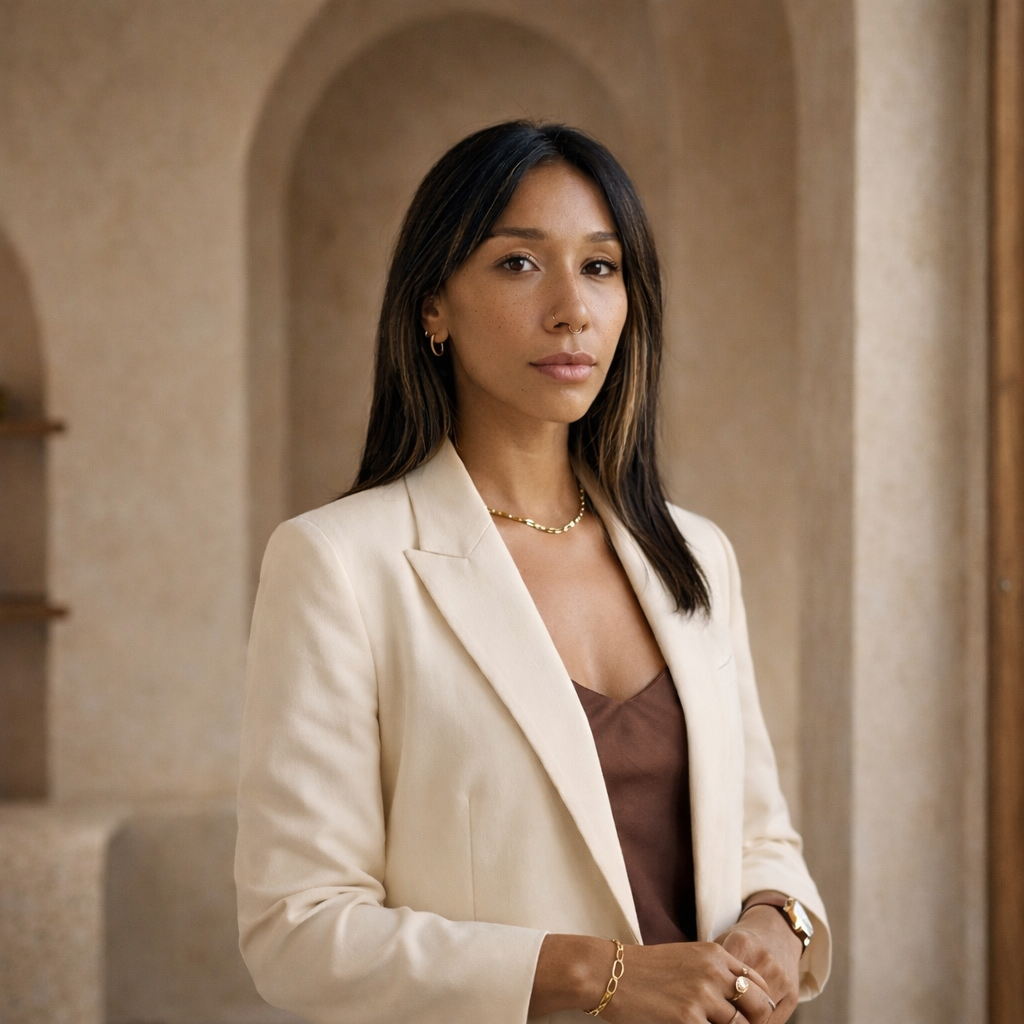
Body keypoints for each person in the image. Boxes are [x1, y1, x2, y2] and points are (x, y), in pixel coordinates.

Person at [235, 121, 830, 1024]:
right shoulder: (338, 565)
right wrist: (607, 976)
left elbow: (760, 838)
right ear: (432, 305)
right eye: (520, 264)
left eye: (601, 267)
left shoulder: (694, 553)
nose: (572, 309)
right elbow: (299, 932)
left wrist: (778, 921)